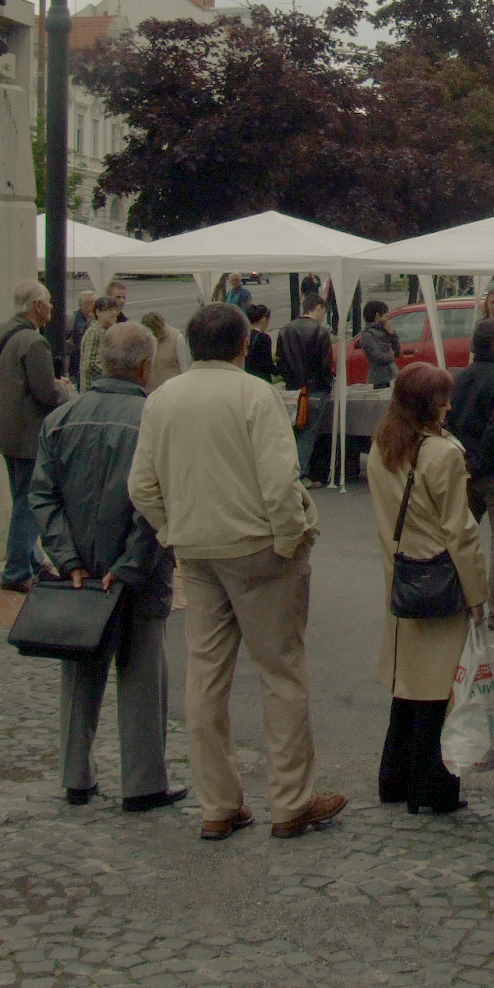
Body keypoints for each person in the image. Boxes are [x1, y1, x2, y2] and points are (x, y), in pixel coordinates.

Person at [128, 302, 344, 841]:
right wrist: (290, 538)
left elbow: (141, 485)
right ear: (244, 345)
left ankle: (218, 804)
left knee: (205, 675)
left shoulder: (162, 398)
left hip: (197, 547)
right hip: (257, 547)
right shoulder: (254, 394)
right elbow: (278, 478)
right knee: (281, 672)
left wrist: (170, 528)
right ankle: (290, 801)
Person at [31, 321, 186, 813]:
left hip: (81, 571)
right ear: (145, 367)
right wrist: (131, 562)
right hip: (138, 571)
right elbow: (156, 503)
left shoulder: (61, 418)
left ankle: (76, 775)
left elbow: (43, 496)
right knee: (142, 676)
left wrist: (67, 558)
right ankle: (143, 782)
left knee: (80, 672)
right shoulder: (153, 420)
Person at [367, 363, 489, 815]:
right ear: (426, 405)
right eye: (442, 400)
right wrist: (477, 594)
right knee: (437, 690)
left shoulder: (382, 445)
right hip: (440, 579)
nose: (449, 407)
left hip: (399, 574)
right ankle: (431, 788)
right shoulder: (443, 454)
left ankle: (395, 778)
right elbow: (460, 530)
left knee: (407, 685)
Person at [0, 280, 72, 595]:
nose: (51, 307)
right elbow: (45, 392)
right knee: (30, 501)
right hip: (27, 434)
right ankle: (18, 569)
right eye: (48, 302)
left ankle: (31, 558)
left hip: (4, 429)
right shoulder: (34, 342)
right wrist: (63, 388)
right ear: (37, 306)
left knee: (21, 495)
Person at [451, 316, 494, 615]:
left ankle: (455, 598)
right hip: (491, 470)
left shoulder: (459, 377)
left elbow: (450, 421)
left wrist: (465, 462)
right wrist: (481, 462)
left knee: (458, 537)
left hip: (462, 465)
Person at [274, 293, 335, 481]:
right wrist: (328, 385)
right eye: (323, 312)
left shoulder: (286, 330)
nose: (323, 317)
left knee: (292, 432)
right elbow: (326, 364)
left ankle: (287, 470)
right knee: (308, 434)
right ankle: (300, 475)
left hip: (292, 389)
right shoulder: (320, 332)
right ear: (318, 307)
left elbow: (280, 361)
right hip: (315, 389)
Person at [79, 297, 121, 393]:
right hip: (93, 390)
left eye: (116, 310)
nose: (114, 313)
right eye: (109, 310)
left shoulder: (107, 331)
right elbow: (90, 364)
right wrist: (114, 374)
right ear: (98, 312)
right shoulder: (95, 332)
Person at [355, 299, 400, 388]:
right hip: (379, 379)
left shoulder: (385, 329)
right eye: (385, 313)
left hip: (393, 374)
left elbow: (397, 351)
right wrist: (391, 355)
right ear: (377, 315)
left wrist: (393, 335)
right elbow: (378, 357)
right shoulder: (367, 335)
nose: (387, 316)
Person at [141, 311, 184, 387]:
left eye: (155, 332)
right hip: (152, 391)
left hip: (174, 388)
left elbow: (185, 369)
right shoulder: (144, 340)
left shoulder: (178, 338)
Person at [67, 291, 97, 388]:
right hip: (74, 369)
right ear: (81, 305)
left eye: (95, 303)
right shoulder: (72, 319)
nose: (93, 306)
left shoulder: (98, 320)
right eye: (89, 303)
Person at [244, 301, 276, 381]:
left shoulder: (244, 335)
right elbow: (267, 364)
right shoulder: (264, 338)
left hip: (246, 378)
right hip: (261, 379)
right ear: (264, 319)